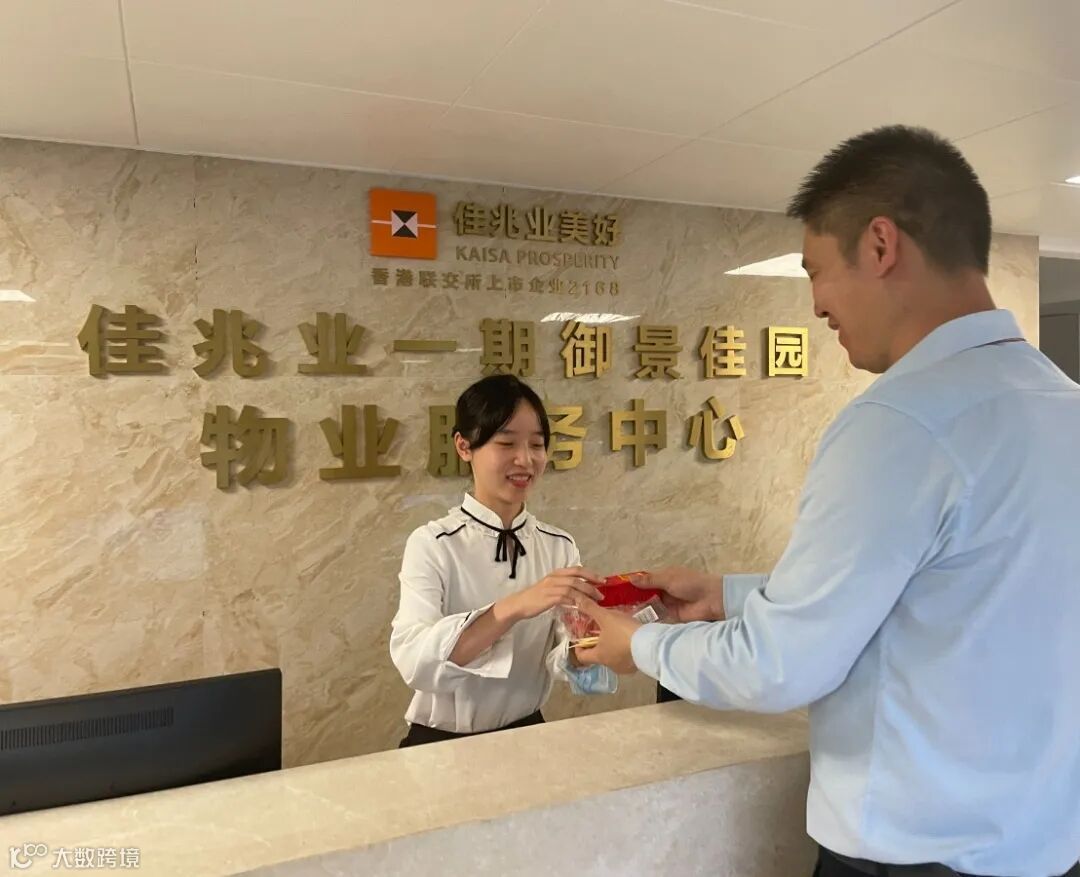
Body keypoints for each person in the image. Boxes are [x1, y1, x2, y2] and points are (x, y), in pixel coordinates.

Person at [575, 126, 1080, 877]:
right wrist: (728, 594)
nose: (815, 306)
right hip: (1046, 850)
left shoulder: (898, 423)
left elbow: (780, 665)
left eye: (815, 271)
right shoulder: (1063, 404)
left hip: (913, 859)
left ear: (880, 245)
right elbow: (937, 597)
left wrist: (637, 645)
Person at [390, 374, 614, 747]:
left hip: (528, 735)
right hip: (441, 743)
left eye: (537, 445)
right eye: (506, 443)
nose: (525, 459)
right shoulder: (433, 544)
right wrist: (515, 606)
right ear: (464, 446)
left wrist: (606, 637)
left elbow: (565, 654)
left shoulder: (559, 546)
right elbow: (416, 662)